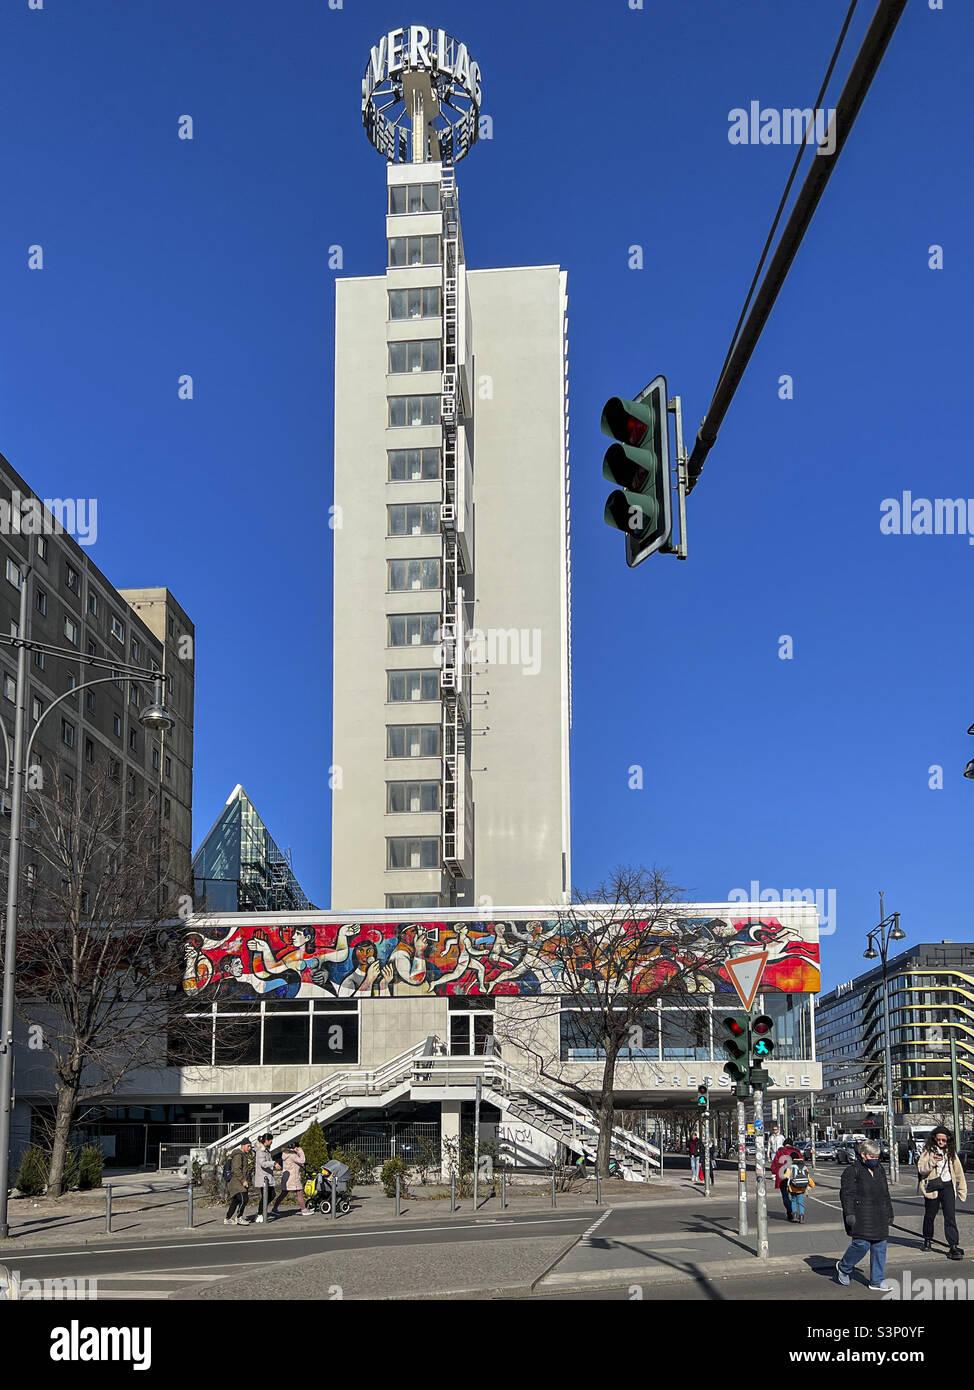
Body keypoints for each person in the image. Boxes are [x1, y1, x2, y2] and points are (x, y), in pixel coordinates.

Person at [835, 1139, 894, 1291]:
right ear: (863, 1155)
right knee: (861, 1245)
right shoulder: (852, 1171)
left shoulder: (880, 1169)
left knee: (880, 1246)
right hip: (861, 1214)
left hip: (879, 1214)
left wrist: (889, 1212)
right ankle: (844, 1266)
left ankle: (877, 1280)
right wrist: (849, 1214)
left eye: (877, 1157)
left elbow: (885, 1193)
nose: (875, 1159)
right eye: (872, 1156)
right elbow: (846, 1194)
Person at [917, 1127, 966, 1259]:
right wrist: (933, 1162)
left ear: (948, 1140)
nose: (941, 1142)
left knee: (950, 1216)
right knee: (930, 1215)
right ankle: (927, 1240)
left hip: (947, 1185)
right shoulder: (928, 1151)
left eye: (943, 1140)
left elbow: (958, 1171)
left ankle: (953, 1245)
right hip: (933, 1186)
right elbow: (921, 1169)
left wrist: (961, 1189)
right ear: (934, 1139)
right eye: (938, 1139)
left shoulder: (950, 1152)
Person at [270, 1143, 309, 1218]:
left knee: (283, 1193)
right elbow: (302, 1160)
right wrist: (300, 1151)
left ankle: (274, 1209)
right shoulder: (292, 1155)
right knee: (299, 1192)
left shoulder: (285, 1154)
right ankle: (304, 1210)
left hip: (286, 1177)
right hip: (293, 1177)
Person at [252, 1132, 280, 1223]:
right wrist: (273, 1163)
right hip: (263, 1178)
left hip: (267, 1177)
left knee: (271, 1195)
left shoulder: (266, 1150)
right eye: (270, 1140)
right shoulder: (261, 1151)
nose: (271, 1142)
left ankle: (261, 1212)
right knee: (266, 1196)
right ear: (266, 1141)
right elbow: (263, 1163)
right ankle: (260, 1214)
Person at [781, 1150, 815, 1223]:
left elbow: (786, 1176)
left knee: (793, 1201)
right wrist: (812, 1185)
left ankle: (794, 1216)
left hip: (793, 1187)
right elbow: (807, 1177)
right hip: (802, 1188)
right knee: (801, 1202)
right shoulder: (803, 1166)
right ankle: (802, 1217)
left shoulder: (790, 1166)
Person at [224, 1139, 252, 1225]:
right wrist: (243, 1181)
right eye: (248, 1146)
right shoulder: (238, 1155)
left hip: (237, 1181)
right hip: (237, 1182)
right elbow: (236, 1169)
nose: (249, 1148)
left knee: (235, 1201)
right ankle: (239, 1217)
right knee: (244, 1199)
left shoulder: (242, 1155)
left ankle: (227, 1218)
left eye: (250, 1146)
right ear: (242, 1146)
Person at [771, 1140, 799, 1220]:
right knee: (794, 1194)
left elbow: (774, 1165)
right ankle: (796, 1212)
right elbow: (802, 1163)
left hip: (782, 1176)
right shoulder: (796, 1151)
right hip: (794, 1175)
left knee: (785, 1195)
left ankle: (789, 1211)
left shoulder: (780, 1152)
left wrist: (774, 1172)